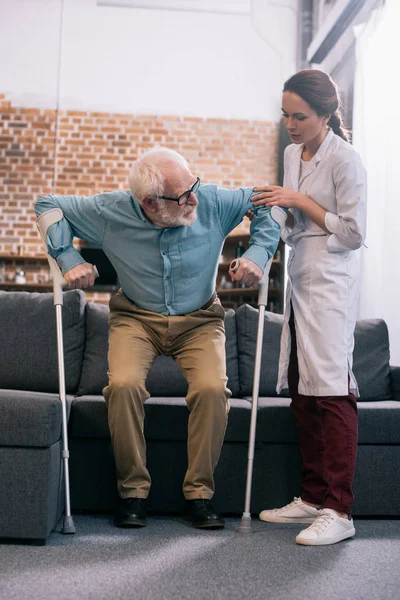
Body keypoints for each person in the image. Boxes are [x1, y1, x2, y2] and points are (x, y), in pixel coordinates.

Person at [35, 147, 280, 530]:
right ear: (149, 202)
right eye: (182, 196)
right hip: (136, 319)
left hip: (200, 320)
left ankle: (200, 495)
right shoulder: (109, 211)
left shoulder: (211, 200)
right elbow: (47, 204)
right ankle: (133, 492)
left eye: (192, 186)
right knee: (124, 386)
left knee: (212, 390)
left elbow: (267, 202)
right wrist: (69, 258)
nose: (193, 199)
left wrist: (260, 253)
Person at [252, 69, 367, 545]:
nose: (290, 125)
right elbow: (287, 213)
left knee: (331, 391)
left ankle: (340, 510)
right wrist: (269, 212)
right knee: (302, 391)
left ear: (325, 115)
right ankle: (313, 497)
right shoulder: (290, 153)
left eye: (300, 116)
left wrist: (300, 200)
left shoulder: (347, 159)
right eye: (285, 115)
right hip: (299, 276)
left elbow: (355, 234)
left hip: (332, 280)